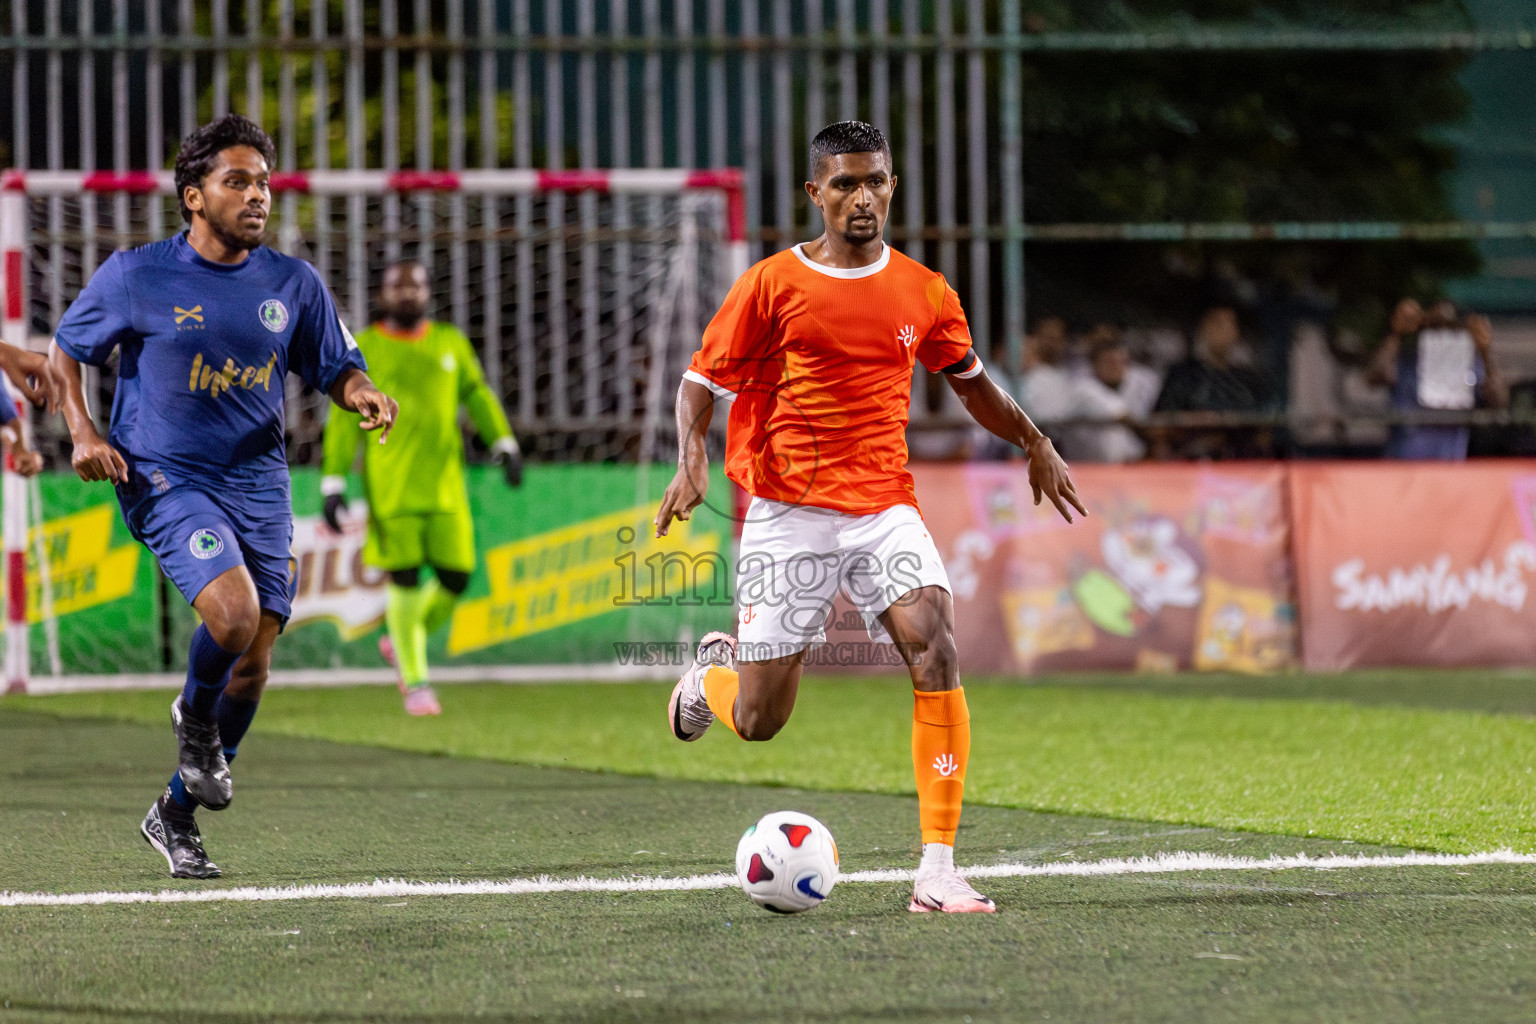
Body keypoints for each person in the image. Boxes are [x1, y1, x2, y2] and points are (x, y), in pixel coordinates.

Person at [653, 121, 1085, 914]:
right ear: (815, 193)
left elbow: (971, 381)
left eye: (876, 180)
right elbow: (699, 382)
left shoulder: (923, 290)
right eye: (846, 183)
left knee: (936, 648)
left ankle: (938, 871)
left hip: (884, 502)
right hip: (788, 513)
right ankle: (714, 676)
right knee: (759, 721)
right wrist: (691, 458)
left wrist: (1032, 438)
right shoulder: (770, 285)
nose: (863, 196)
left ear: (892, 186)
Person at [48, 114, 398, 879]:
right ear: (193, 197)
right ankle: (194, 721)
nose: (256, 196)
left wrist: (362, 391)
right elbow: (66, 353)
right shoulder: (137, 274)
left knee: (254, 663)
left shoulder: (291, 283)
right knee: (232, 616)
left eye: (263, 182)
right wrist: (81, 434)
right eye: (236, 181)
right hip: (164, 476)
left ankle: (174, 813)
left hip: (258, 483)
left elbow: (334, 364)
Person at [320, 258, 522, 716]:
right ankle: (416, 682)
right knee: (406, 581)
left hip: (446, 488)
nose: (407, 293)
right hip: (392, 492)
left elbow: (478, 393)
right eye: (397, 286)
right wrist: (333, 483)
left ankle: (401, 638)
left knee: (457, 575)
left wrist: (504, 442)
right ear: (382, 294)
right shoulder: (365, 348)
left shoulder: (449, 342)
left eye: (416, 286)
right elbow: (341, 421)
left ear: (429, 292)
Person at [1368, 298, 1507, 460]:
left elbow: (1499, 401)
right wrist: (1396, 333)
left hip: (1449, 462)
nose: (1443, 335)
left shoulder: (1470, 365)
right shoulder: (1407, 361)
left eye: (1450, 328)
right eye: (1435, 328)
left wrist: (1485, 351)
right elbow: (1374, 375)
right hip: (1404, 462)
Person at [1152, 305, 1272, 459]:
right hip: (1194, 459)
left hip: (1243, 461)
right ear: (1204, 330)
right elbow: (1161, 423)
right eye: (1217, 324)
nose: (1224, 331)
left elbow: (1264, 426)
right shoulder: (1182, 375)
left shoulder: (1248, 379)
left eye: (1230, 324)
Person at [1061, 336, 1147, 463]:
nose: (1117, 367)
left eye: (1122, 362)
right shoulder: (1083, 388)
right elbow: (1123, 416)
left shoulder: (1122, 389)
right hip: (1084, 469)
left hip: (1113, 469)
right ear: (1094, 365)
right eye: (1110, 362)